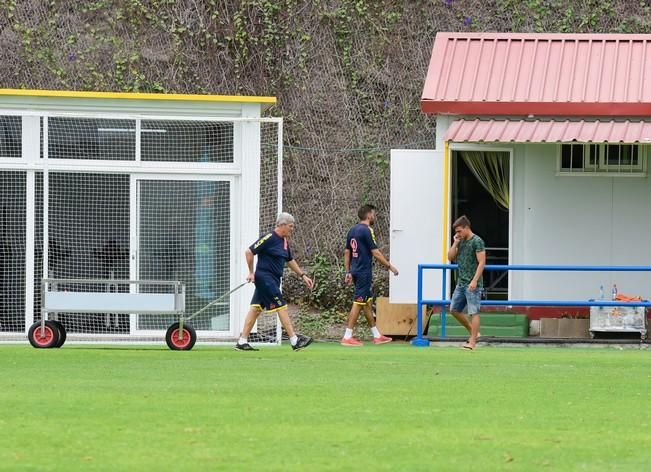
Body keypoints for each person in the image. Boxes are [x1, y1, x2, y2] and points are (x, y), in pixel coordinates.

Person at [236, 212, 314, 351]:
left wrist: (303, 275)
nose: (292, 229)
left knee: (255, 309)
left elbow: (289, 260)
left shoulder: (284, 241)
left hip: (274, 280)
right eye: (291, 226)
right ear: (282, 225)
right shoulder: (269, 237)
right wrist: (251, 272)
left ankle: (242, 341)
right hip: (265, 279)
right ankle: (294, 340)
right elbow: (249, 252)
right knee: (281, 305)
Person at [341, 204, 399, 346]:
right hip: (363, 272)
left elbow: (347, 252)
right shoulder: (367, 230)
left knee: (366, 302)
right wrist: (389, 266)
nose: (375, 216)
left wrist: (348, 271)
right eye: (374, 214)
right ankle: (347, 336)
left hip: (355, 270)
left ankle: (376, 335)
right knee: (358, 301)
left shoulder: (352, 230)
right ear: (368, 215)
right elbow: (376, 252)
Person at [447, 215, 486, 350]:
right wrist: (455, 243)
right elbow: (450, 257)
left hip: (472, 283)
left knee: (474, 312)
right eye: (456, 231)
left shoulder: (477, 241)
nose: (457, 234)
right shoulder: (461, 241)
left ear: (466, 228)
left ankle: (473, 342)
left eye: (459, 231)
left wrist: (475, 281)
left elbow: (482, 262)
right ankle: (473, 333)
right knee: (454, 310)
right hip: (461, 282)